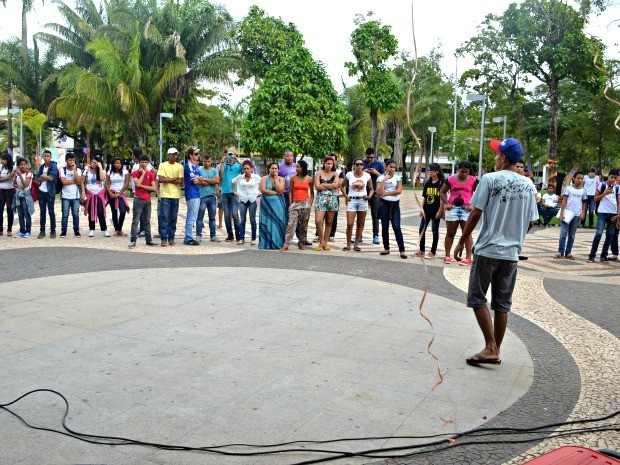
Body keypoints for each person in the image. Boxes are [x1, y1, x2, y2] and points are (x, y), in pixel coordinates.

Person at [454, 138, 538, 365]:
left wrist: (462, 241)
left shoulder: (490, 179)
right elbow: (531, 222)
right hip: (511, 255)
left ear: (503, 158)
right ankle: (495, 349)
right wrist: (515, 236)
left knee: (477, 297)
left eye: (496, 154)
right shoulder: (529, 185)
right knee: (502, 304)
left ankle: (491, 347)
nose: (494, 158)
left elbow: (475, 213)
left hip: (488, 250)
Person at [440, 161, 479, 265]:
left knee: (467, 233)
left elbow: (479, 194)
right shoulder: (450, 179)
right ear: (458, 169)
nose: (464, 174)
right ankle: (447, 255)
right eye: (462, 172)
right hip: (452, 208)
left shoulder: (474, 180)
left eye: (467, 172)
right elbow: (442, 192)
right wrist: (447, 203)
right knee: (450, 233)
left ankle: (468, 257)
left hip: (467, 209)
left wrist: (472, 204)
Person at [281, 159, 314, 251]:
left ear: (303, 168)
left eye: (298, 167)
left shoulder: (310, 179)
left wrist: (310, 204)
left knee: (304, 225)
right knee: (291, 224)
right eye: (296, 166)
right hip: (295, 203)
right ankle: (286, 244)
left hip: (305, 203)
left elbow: (312, 193)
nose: (296, 168)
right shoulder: (293, 178)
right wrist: (291, 203)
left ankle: (301, 243)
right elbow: (290, 191)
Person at [587, 169, 619, 262]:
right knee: (599, 234)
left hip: (613, 213)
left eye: (615, 178)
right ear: (608, 177)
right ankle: (592, 255)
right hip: (602, 213)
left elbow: (618, 202)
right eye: (611, 177)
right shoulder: (602, 185)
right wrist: (605, 193)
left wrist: (618, 215)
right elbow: (595, 198)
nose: (613, 179)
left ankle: (603, 255)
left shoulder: (617, 188)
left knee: (609, 235)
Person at [342, 157, 373, 252]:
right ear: (354, 166)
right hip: (352, 200)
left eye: (361, 164)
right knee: (349, 223)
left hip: (362, 201)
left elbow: (371, 188)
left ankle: (356, 244)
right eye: (357, 164)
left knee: (360, 224)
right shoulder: (349, 175)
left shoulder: (367, 176)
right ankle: (348, 245)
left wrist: (369, 196)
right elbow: (341, 186)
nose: (359, 166)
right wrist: (346, 196)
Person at [376, 159, 406, 258]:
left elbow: (399, 190)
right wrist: (385, 179)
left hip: (395, 204)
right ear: (386, 167)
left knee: (396, 226)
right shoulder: (380, 178)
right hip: (383, 204)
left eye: (394, 167)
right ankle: (386, 248)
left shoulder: (398, 178)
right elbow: (379, 192)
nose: (392, 169)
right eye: (390, 167)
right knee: (385, 227)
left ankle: (402, 250)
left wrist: (387, 193)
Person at [555, 171, 587, 260]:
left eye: (581, 178)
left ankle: (568, 252)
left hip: (576, 215)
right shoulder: (568, 188)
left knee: (572, 235)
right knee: (563, 234)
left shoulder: (583, 190)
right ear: (574, 178)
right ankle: (560, 251)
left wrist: (583, 212)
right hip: (567, 214)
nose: (580, 180)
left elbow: (584, 203)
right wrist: (562, 213)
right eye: (578, 178)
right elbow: (564, 201)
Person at [129, 155, 158, 248]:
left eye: (146, 162)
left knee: (147, 221)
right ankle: (133, 240)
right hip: (138, 199)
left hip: (147, 200)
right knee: (135, 220)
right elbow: (137, 183)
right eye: (142, 162)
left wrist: (142, 186)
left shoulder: (151, 174)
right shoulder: (135, 173)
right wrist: (143, 174)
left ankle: (149, 240)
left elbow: (153, 187)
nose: (144, 164)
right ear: (139, 162)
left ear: (148, 163)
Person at [157, 147, 184, 246]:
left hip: (176, 195)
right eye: (172, 154)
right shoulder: (163, 165)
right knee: (164, 217)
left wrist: (168, 178)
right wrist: (174, 178)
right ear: (168, 155)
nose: (173, 156)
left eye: (175, 154)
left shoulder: (180, 167)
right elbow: (161, 179)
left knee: (173, 217)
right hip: (165, 194)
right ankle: (164, 238)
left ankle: (171, 237)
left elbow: (180, 181)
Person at [417, 163, 444, 259]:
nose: (429, 172)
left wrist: (440, 211)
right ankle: (422, 250)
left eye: (431, 170)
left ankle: (433, 251)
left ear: (436, 171)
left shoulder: (441, 183)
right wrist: (421, 209)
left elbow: (442, 199)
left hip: (436, 210)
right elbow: (425, 197)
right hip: (427, 210)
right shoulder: (428, 183)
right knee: (421, 229)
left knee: (434, 230)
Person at [313, 156, 340, 251]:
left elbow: (336, 185)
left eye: (331, 163)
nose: (329, 165)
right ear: (324, 163)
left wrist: (323, 185)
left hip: (332, 199)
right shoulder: (319, 174)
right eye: (327, 163)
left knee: (329, 221)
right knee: (318, 221)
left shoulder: (335, 174)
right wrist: (329, 186)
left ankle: (325, 242)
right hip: (320, 199)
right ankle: (321, 241)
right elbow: (317, 186)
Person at [232, 160, 261, 245]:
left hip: (252, 200)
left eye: (248, 168)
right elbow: (232, 182)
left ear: (251, 169)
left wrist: (259, 193)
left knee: (252, 220)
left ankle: (253, 239)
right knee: (242, 220)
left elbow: (263, 183)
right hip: (243, 200)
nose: (246, 170)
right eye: (244, 169)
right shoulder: (240, 177)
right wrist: (234, 192)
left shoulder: (256, 177)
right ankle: (242, 238)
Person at [258, 162, 286, 249]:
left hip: (279, 205)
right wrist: (276, 193)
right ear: (269, 169)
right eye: (272, 168)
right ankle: (266, 244)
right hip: (266, 204)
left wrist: (276, 178)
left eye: (276, 168)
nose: (274, 170)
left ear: (278, 170)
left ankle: (277, 244)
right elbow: (263, 190)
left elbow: (280, 189)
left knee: (278, 223)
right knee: (267, 222)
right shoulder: (264, 178)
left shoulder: (281, 179)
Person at [362, 147, 385, 244]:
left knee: (375, 215)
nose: (370, 159)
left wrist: (376, 172)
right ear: (365, 156)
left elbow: (384, 178)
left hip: (375, 192)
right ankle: (359, 235)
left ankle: (376, 235)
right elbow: (356, 174)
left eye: (371, 158)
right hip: (363, 192)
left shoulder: (379, 164)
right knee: (361, 214)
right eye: (368, 158)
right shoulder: (361, 163)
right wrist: (365, 172)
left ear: (374, 156)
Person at [59, 152, 85, 237]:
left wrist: (74, 170)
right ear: (66, 160)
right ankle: (63, 230)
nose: (72, 162)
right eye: (70, 160)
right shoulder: (62, 169)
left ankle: (76, 230)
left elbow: (79, 181)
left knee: (75, 214)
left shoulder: (78, 170)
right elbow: (63, 181)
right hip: (65, 195)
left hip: (75, 196)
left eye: (73, 160)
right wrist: (75, 181)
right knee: (65, 214)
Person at [83, 156, 109, 237]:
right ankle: (91, 229)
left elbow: (101, 179)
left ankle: (104, 229)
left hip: (99, 193)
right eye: (92, 162)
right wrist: (83, 192)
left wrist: (100, 167)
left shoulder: (102, 171)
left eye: (95, 162)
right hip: (90, 193)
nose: (93, 164)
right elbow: (82, 182)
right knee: (91, 211)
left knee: (100, 211)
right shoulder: (87, 170)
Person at [196, 154, 221, 243]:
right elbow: (199, 181)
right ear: (203, 161)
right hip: (202, 196)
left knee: (212, 217)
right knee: (200, 217)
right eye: (205, 161)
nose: (207, 163)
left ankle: (213, 235)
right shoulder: (199, 169)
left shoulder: (214, 170)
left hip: (212, 197)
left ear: (211, 161)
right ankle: (198, 235)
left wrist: (204, 179)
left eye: (209, 161)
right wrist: (211, 181)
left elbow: (217, 181)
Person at [36, 149, 59, 239]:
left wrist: (43, 177)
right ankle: (42, 231)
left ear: (50, 157)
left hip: (50, 192)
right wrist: (44, 177)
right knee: (42, 212)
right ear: (42, 157)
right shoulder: (41, 167)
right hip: (41, 191)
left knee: (51, 212)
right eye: (44, 156)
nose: (46, 158)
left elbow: (52, 178)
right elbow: (37, 178)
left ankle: (53, 231)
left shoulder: (53, 166)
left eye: (48, 156)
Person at [219, 151, 242, 242]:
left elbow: (245, 170)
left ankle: (238, 234)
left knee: (235, 214)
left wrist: (238, 160)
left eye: (231, 155)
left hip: (234, 193)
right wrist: (222, 162)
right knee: (227, 215)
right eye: (229, 155)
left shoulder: (238, 166)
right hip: (224, 192)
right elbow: (221, 174)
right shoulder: (223, 165)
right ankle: (230, 235)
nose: (230, 157)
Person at [105, 157, 130, 236]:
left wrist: (120, 193)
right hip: (112, 193)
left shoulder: (125, 172)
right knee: (114, 212)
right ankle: (117, 229)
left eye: (119, 163)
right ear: (113, 164)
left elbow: (126, 184)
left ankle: (120, 228)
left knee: (122, 211)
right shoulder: (110, 172)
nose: (118, 165)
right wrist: (110, 193)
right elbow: (106, 184)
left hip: (121, 194)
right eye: (116, 163)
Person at [183, 146, 202, 246]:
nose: (198, 156)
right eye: (195, 154)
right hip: (192, 194)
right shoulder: (188, 166)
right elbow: (195, 180)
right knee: (191, 216)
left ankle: (189, 236)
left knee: (193, 216)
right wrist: (198, 178)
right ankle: (188, 237)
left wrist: (198, 178)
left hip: (196, 193)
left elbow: (201, 179)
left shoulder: (195, 167)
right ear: (190, 155)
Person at [11, 158, 34, 238]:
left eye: (24, 164)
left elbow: (26, 184)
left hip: (26, 195)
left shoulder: (29, 173)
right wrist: (18, 186)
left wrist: (20, 175)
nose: (23, 166)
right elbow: (14, 184)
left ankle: (28, 231)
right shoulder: (16, 174)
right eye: (21, 165)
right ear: (18, 165)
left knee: (26, 213)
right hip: (18, 194)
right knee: (20, 214)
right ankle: (22, 231)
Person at [0, 153, 17, 237]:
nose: (1, 161)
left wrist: (5, 179)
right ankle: (0, 229)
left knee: (10, 210)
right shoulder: (1, 167)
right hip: (1, 191)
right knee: (0, 210)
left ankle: (9, 229)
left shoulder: (14, 168)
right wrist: (7, 178)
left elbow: (14, 178)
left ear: (7, 160)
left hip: (10, 191)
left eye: (2, 159)